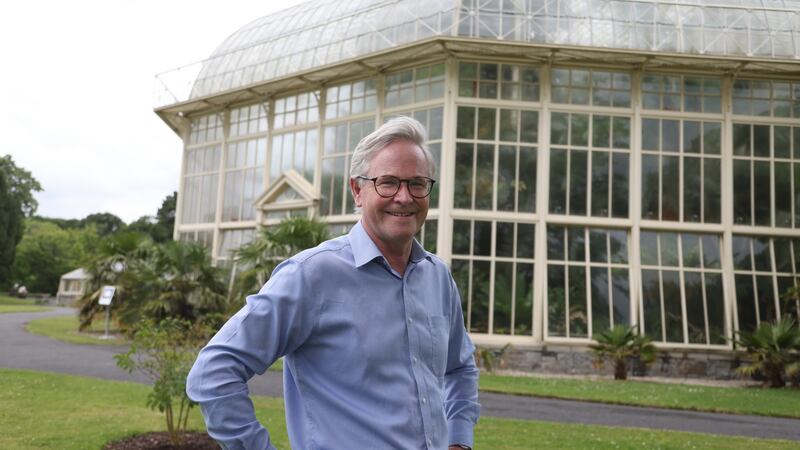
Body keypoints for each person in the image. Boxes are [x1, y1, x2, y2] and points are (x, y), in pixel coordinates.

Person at [187, 116, 480, 450]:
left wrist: (459, 439)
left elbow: (460, 368)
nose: (404, 196)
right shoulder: (311, 275)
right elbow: (213, 372)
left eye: (417, 183)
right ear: (357, 190)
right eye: (387, 183)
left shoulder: (437, 277)